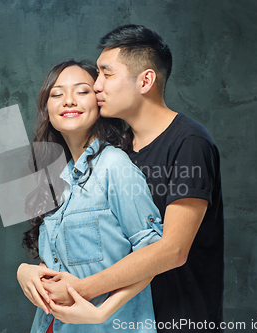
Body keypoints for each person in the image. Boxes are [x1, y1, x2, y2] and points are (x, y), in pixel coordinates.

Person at [35, 25, 225, 332]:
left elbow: (171, 250)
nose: (97, 86)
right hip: (128, 317)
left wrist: (82, 292)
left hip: (178, 316)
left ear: (145, 80)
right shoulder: (120, 148)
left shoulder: (189, 142)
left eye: (106, 75)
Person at [18, 59, 163, 332]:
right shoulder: (54, 176)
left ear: (99, 101)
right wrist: (25, 271)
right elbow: (61, 261)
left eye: (82, 91)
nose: (68, 101)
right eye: (57, 94)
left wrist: (101, 312)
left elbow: (153, 254)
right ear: (47, 108)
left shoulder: (114, 166)